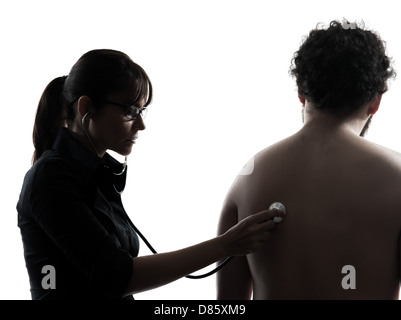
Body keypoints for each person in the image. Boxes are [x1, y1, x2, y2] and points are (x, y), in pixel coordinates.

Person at [16, 49, 283, 300]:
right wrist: (226, 245)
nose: (141, 124)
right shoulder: (50, 179)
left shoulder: (94, 176)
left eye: (142, 110)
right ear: (86, 108)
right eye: (130, 111)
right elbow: (119, 276)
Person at [216, 20, 400, 299]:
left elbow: (228, 305)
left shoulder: (247, 179)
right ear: (376, 102)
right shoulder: (397, 178)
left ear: (301, 94)